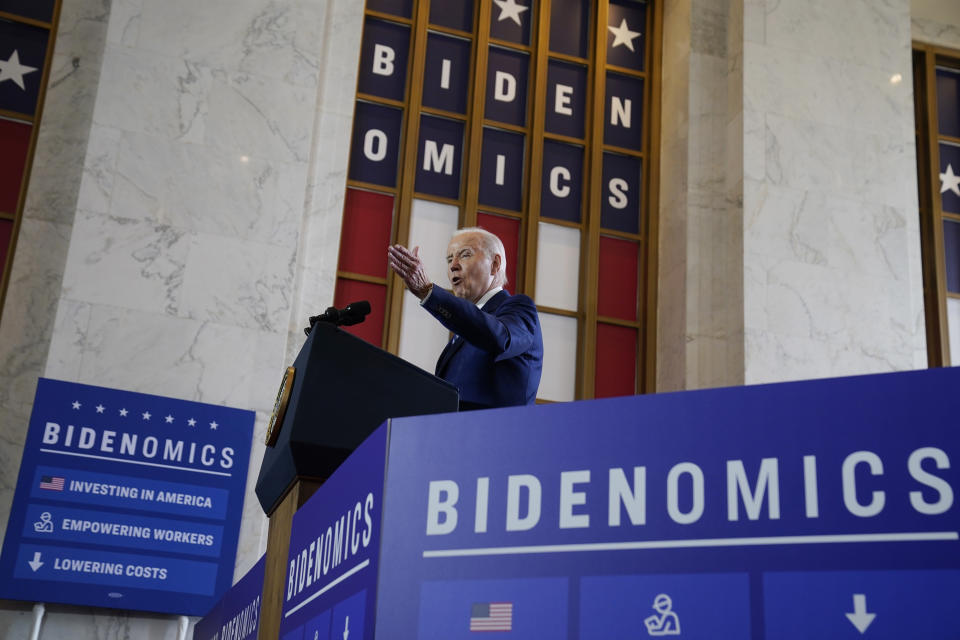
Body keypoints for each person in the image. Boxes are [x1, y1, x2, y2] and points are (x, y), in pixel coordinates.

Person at [387, 227, 543, 410]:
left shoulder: (519, 308)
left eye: (465, 254)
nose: (453, 265)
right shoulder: (463, 332)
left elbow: (500, 338)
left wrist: (429, 293)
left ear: (495, 264)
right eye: (449, 259)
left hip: (498, 434)